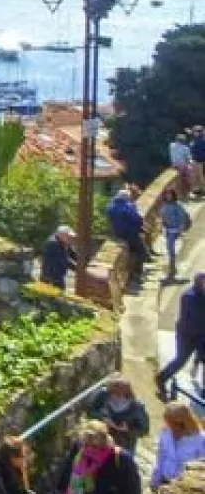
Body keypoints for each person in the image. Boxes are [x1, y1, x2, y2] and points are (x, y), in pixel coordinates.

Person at [159, 272, 205, 401]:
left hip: (201, 334)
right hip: (187, 335)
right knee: (180, 360)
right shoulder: (189, 296)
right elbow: (198, 317)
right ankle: (161, 378)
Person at [151, 402, 205, 494]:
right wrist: (155, 479)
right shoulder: (166, 432)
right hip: (166, 482)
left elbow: (201, 469)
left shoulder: (200, 440)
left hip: (185, 490)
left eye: (170, 423)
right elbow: (161, 455)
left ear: (182, 422)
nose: (168, 426)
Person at [85, 378, 150, 451]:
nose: (113, 398)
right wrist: (103, 419)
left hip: (124, 446)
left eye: (116, 395)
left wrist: (127, 429)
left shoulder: (137, 408)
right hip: (101, 441)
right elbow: (90, 411)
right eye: (111, 394)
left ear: (125, 394)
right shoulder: (104, 395)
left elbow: (144, 430)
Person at [106, 184, 149, 270]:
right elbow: (136, 218)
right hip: (129, 232)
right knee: (141, 251)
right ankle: (137, 271)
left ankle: (133, 270)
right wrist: (141, 228)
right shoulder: (127, 206)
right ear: (127, 197)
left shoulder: (110, 206)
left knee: (133, 248)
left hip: (116, 233)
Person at [161, 188, 193, 281]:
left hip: (175, 232)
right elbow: (163, 218)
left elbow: (182, 218)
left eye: (170, 194)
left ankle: (172, 272)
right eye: (167, 194)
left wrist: (180, 230)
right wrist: (164, 226)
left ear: (173, 195)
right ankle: (172, 271)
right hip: (168, 231)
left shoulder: (177, 206)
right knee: (170, 251)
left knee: (172, 252)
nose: (168, 196)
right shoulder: (165, 205)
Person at [40, 225, 78, 291]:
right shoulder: (53, 244)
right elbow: (65, 260)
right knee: (51, 296)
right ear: (61, 235)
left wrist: (83, 261)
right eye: (68, 236)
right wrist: (79, 270)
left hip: (58, 276)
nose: (71, 238)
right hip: (51, 277)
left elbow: (72, 254)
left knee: (59, 295)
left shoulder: (63, 241)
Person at [191, 126, 205, 198]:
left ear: (198, 132)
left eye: (195, 131)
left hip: (199, 161)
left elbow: (196, 150)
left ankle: (202, 191)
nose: (194, 133)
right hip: (197, 160)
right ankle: (198, 191)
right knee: (197, 176)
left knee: (200, 176)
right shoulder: (198, 139)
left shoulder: (200, 141)